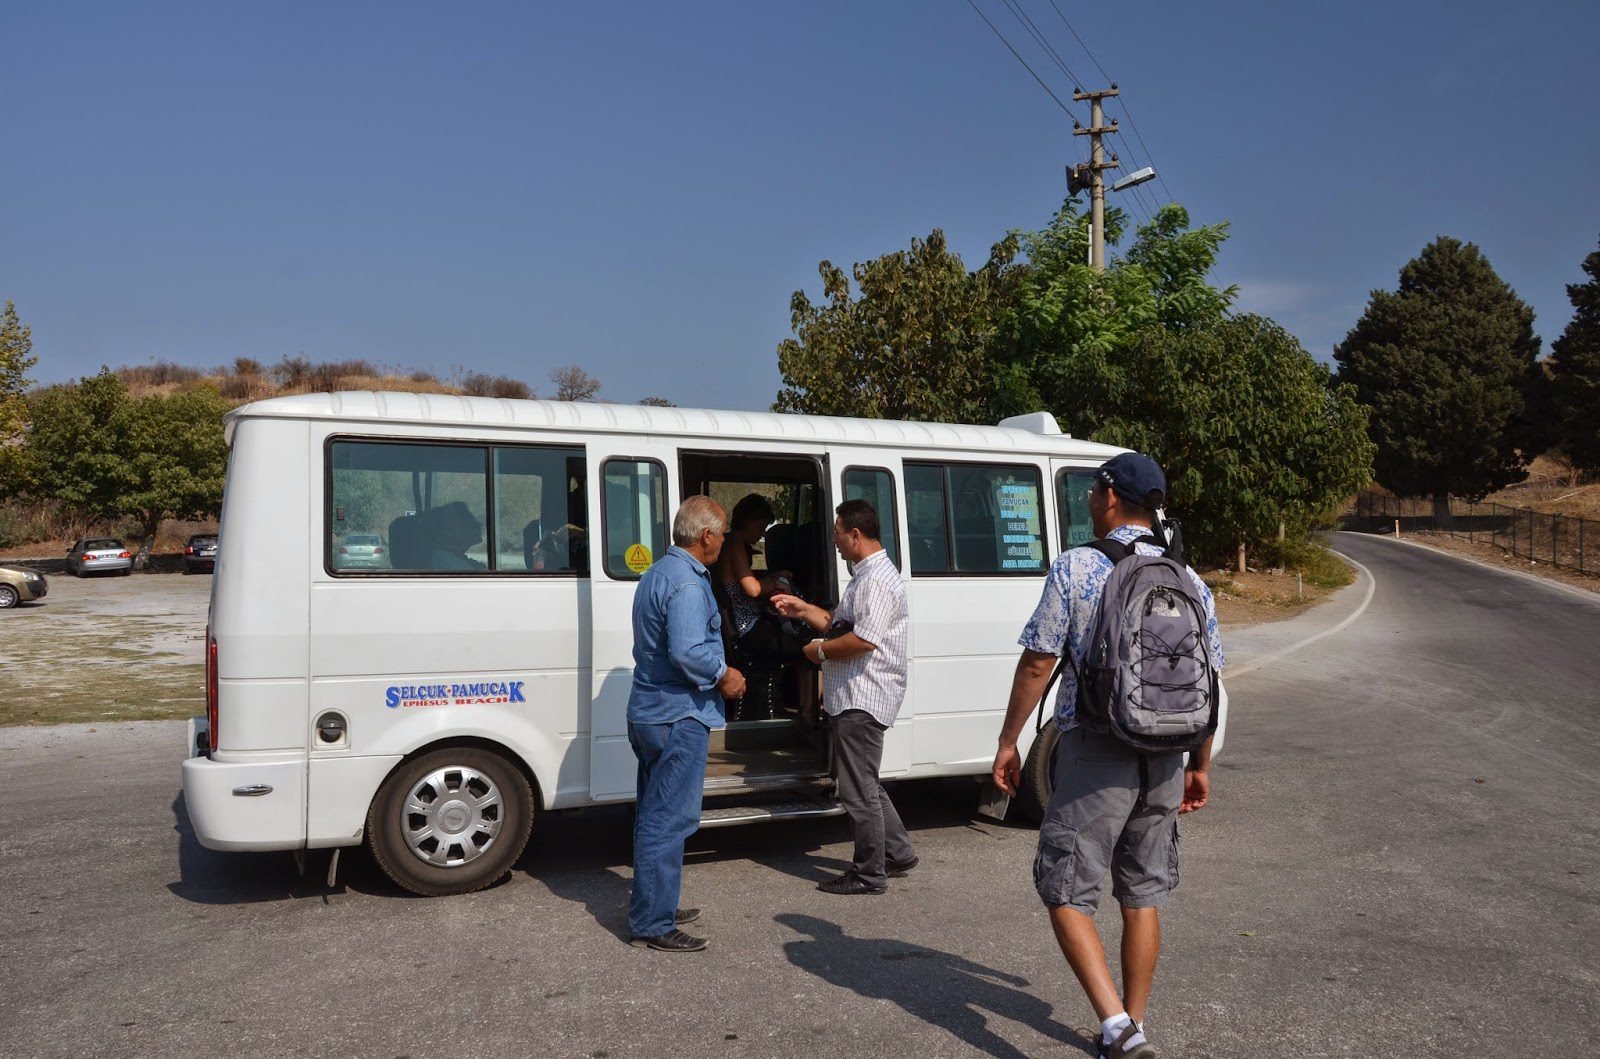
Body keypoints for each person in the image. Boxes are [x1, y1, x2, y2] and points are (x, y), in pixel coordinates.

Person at [991, 452, 1224, 1059]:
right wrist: (1200, 764)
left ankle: (1119, 1029)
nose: (1090, 503)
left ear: (1110, 497)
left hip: (1098, 751)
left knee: (1066, 888)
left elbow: (1040, 661)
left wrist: (1009, 740)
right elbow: (1210, 680)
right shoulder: (1189, 579)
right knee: (1142, 893)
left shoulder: (1077, 568)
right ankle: (1133, 1021)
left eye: (1093, 492)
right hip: (1168, 757)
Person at [771, 499, 915, 895]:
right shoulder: (865, 575)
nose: (833, 540)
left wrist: (816, 652)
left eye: (836, 533)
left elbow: (862, 640)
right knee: (865, 781)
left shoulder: (877, 581)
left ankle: (869, 873)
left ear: (855, 534)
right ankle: (898, 853)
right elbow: (839, 624)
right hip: (854, 693)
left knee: (857, 789)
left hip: (864, 696)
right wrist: (803, 610)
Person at [627, 495, 746, 952]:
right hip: (678, 715)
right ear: (706, 536)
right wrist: (726, 676)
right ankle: (653, 923)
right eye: (723, 532)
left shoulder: (657, 572)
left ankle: (656, 904)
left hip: (649, 712)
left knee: (654, 815)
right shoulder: (688, 584)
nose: (725, 540)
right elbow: (687, 652)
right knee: (670, 820)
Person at [424, 501, 486, 571]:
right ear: (445, 532)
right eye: (466, 519)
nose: (478, 524)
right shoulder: (454, 566)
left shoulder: (442, 557)